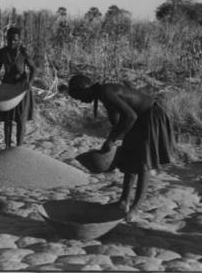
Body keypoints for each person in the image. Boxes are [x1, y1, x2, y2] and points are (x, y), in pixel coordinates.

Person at [67, 74, 175, 219]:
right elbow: (119, 120)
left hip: (150, 117)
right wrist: (112, 137)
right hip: (139, 120)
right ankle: (124, 201)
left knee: (143, 163)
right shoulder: (103, 94)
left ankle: (136, 206)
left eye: (79, 97)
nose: (81, 101)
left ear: (85, 89)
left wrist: (111, 140)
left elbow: (130, 117)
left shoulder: (106, 92)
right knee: (130, 159)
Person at [0, 27, 36, 148]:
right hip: (7, 88)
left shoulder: (24, 52)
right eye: (9, 39)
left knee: (21, 120)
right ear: (6, 39)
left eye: (15, 40)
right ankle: (7, 148)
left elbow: (34, 69)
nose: (11, 42)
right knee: (8, 120)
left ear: (19, 40)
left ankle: (19, 148)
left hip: (21, 89)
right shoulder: (2, 52)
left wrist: (29, 83)